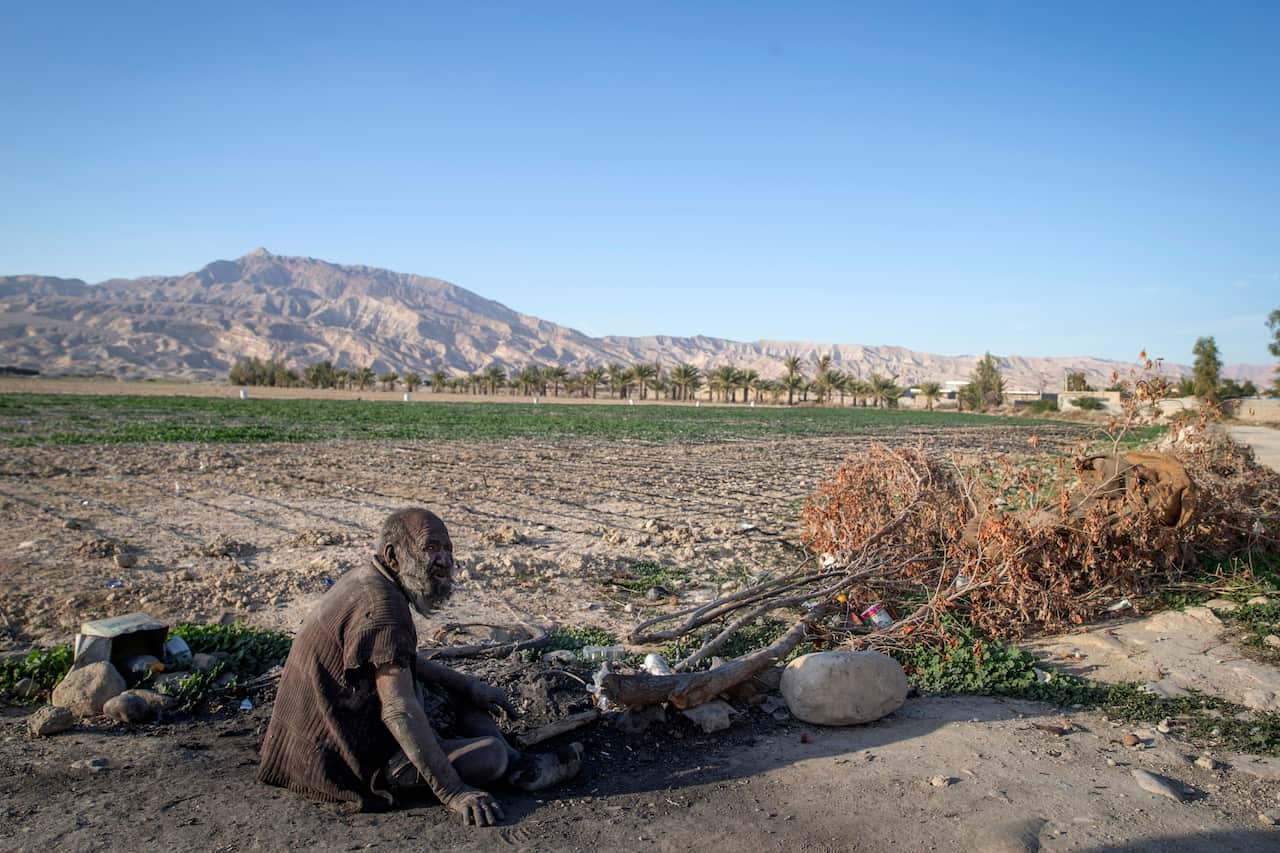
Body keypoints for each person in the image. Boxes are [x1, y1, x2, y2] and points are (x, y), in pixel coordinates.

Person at [258, 507, 580, 825]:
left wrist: (471, 685)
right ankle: (515, 766)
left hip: (304, 748)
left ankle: (517, 761)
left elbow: (401, 661)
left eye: (447, 549)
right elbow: (398, 711)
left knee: (465, 698)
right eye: (430, 548)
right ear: (394, 556)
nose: (442, 560)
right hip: (338, 763)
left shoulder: (369, 580)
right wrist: (454, 791)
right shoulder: (381, 608)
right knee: (490, 757)